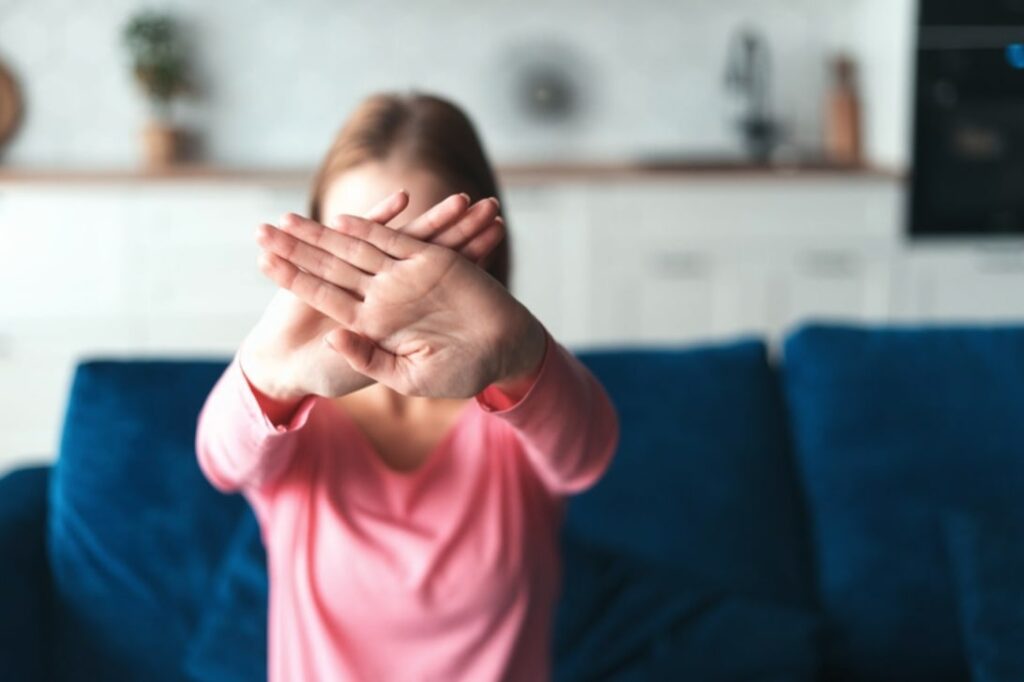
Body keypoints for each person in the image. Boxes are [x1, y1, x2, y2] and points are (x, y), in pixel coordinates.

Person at [195, 92, 619, 681]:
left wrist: (518, 349)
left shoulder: (514, 413)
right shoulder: (295, 421)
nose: (385, 290)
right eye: (357, 250)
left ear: (483, 255)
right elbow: (220, 459)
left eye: (417, 250)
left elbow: (587, 452)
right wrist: (272, 371)